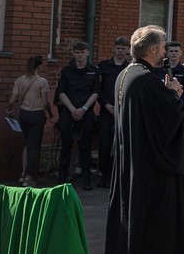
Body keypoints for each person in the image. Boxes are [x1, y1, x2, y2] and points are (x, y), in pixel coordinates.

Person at [104, 25, 184, 254]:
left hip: (130, 159)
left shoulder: (124, 75)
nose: (166, 52)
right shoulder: (147, 80)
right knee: (152, 216)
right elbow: (167, 121)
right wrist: (174, 93)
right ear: (153, 50)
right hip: (149, 166)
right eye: (163, 47)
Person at [55, 40, 101, 190]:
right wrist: (72, 109)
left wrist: (84, 109)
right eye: (77, 52)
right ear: (73, 53)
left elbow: (96, 92)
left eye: (82, 52)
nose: (80, 55)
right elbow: (61, 92)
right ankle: (62, 180)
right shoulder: (67, 71)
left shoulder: (94, 71)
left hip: (86, 112)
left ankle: (86, 181)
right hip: (68, 112)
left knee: (85, 147)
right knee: (66, 146)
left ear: (87, 53)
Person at [7, 55, 54, 187]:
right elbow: (45, 103)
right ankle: (28, 177)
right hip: (37, 114)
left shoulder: (19, 80)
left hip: (23, 114)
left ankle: (23, 173)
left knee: (27, 144)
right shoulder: (42, 82)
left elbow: (12, 100)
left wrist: (9, 111)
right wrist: (50, 114)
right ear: (39, 66)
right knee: (34, 147)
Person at [96, 37, 130, 189]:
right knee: (104, 144)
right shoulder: (103, 66)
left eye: (123, 48)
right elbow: (98, 89)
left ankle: (117, 177)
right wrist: (106, 105)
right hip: (106, 111)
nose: (120, 51)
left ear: (127, 50)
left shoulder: (129, 67)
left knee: (121, 145)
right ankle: (104, 175)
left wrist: (120, 106)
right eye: (118, 48)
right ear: (114, 48)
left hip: (123, 112)